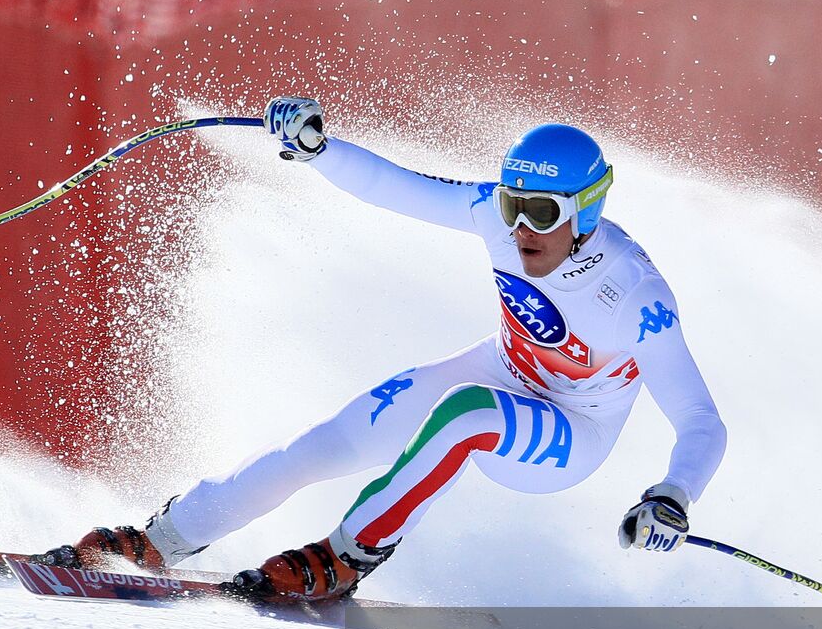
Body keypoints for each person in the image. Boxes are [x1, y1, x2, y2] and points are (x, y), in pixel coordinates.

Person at [36, 96, 728, 601]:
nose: (519, 228)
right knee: (321, 445)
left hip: (573, 431)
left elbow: (702, 420)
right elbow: (399, 188)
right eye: (512, 205)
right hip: (501, 373)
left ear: (587, 210)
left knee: (466, 412)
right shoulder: (499, 215)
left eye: (540, 213)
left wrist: (673, 494)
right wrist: (318, 149)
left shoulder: (635, 295)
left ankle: (350, 552)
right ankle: (168, 537)